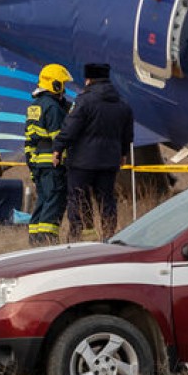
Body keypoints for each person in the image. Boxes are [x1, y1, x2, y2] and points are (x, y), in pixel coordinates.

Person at [53, 63, 133, 241]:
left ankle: (77, 235)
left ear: (88, 80)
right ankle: (109, 234)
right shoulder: (122, 104)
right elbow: (127, 135)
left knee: (78, 198)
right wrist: (123, 154)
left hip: (82, 162)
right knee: (106, 200)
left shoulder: (84, 101)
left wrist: (58, 147)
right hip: (109, 161)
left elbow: (70, 128)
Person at [24, 64, 73, 246]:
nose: (64, 89)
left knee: (43, 201)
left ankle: (34, 240)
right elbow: (59, 138)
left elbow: (29, 140)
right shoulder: (53, 108)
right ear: (55, 84)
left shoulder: (34, 106)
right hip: (53, 163)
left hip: (38, 162)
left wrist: (32, 167)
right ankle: (47, 241)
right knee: (54, 202)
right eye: (62, 84)